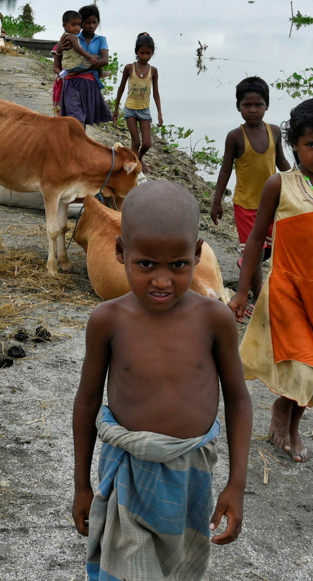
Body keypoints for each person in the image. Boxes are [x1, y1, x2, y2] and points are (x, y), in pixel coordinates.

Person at [73, 181, 252, 581]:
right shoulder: (108, 320)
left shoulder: (214, 319)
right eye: (146, 264)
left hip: (191, 475)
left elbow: (238, 400)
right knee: (126, 570)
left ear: (197, 253)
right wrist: (81, 484)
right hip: (128, 474)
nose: (162, 281)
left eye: (178, 265)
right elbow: (86, 402)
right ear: (121, 253)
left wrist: (236, 483)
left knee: (176, 568)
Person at [230, 98, 313, 463]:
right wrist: (243, 291)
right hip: (288, 288)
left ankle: (291, 420)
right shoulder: (281, 185)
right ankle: (282, 414)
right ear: (293, 144)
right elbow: (256, 240)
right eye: (312, 145)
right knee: (304, 366)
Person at [210, 77, 291, 309]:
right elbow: (226, 169)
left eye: (258, 104)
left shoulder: (274, 132)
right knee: (254, 255)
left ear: (267, 105)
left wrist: (301, 180)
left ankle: (245, 262)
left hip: (273, 204)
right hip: (245, 205)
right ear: (238, 107)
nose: (253, 110)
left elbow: (282, 161)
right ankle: (257, 300)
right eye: (247, 105)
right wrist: (217, 202)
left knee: (271, 247)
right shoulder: (235, 136)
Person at [111, 33, 163, 169]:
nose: (145, 56)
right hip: (130, 109)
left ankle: (138, 159)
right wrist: (116, 109)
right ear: (136, 52)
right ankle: (134, 168)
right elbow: (121, 88)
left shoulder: (153, 71)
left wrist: (160, 113)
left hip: (144, 109)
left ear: (152, 53)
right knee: (136, 141)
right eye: (142, 53)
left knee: (147, 143)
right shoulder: (129, 68)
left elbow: (156, 93)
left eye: (148, 53)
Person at [57, 4, 113, 126]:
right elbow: (59, 59)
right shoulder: (71, 37)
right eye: (87, 22)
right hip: (73, 83)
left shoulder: (101, 40)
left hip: (90, 84)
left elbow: (105, 60)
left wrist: (79, 71)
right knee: (76, 119)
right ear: (81, 22)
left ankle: (79, 144)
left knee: (84, 119)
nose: (91, 26)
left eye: (95, 22)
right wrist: (58, 50)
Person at [51, 10, 86, 114]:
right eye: (73, 25)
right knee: (62, 111)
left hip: (76, 81)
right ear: (64, 25)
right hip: (64, 80)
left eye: (79, 25)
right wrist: (63, 75)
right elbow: (56, 66)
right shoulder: (63, 42)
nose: (77, 28)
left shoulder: (80, 41)